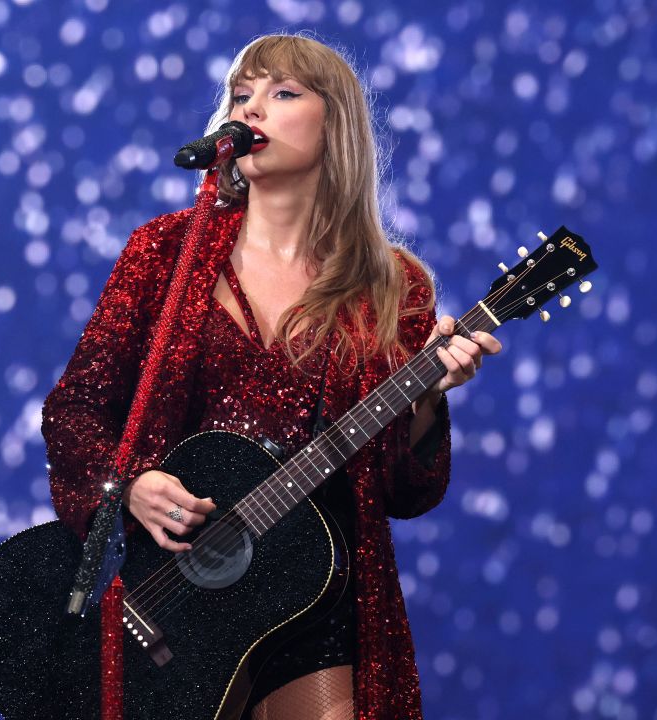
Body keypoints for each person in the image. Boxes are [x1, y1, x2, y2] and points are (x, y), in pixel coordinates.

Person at [42, 34, 502, 720]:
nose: (252, 107)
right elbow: (75, 410)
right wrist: (132, 485)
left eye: (283, 92)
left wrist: (429, 397)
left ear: (335, 126)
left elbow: (407, 492)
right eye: (241, 93)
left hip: (316, 598)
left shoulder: (393, 287)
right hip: (177, 604)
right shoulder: (163, 251)